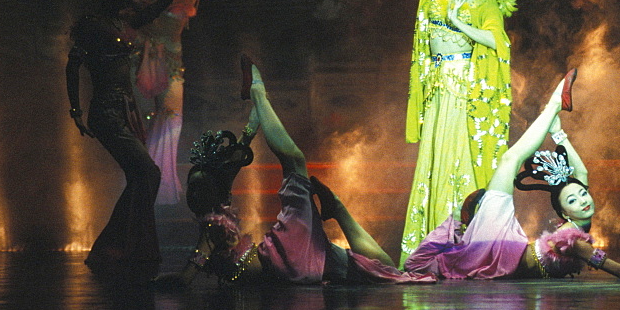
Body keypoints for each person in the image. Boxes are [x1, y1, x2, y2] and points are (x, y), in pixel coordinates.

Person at [157, 61, 435, 287]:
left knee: (385, 271)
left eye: (199, 188)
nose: (193, 195)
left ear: (216, 193)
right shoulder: (213, 226)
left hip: (289, 259)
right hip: (287, 260)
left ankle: (337, 208)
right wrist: (161, 283)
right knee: (295, 163)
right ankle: (257, 91)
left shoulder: (217, 216)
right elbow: (188, 276)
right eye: (192, 189)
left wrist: (251, 127)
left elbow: (236, 158)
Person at [404, 72, 620, 280]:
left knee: (414, 266)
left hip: (499, 255)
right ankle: (554, 104)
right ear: (563, 212)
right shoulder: (573, 238)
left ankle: (554, 108)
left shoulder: (577, 227)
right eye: (574, 199)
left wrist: (560, 134)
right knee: (510, 158)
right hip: (501, 247)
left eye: (583, 194)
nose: (583, 199)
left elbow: (580, 173)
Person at [401, 0, 516, 264]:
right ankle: (433, 246)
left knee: (460, 161)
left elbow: (500, 42)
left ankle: (466, 247)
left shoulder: (486, 0)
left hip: (465, 90)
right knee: (434, 161)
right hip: (437, 88)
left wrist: (463, 24)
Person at [66, 0, 183, 277]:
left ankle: (122, 249)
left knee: (141, 177)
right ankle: (116, 246)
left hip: (126, 110)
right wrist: (75, 110)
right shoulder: (92, 24)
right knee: (148, 173)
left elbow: (162, 5)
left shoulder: (124, 20)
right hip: (105, 112)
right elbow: (73, 65)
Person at [132, 0, 209, 206]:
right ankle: (140, 182)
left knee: (171, 122)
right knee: (143, 121)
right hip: (140, 59)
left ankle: (162, 188)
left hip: (173, 63)